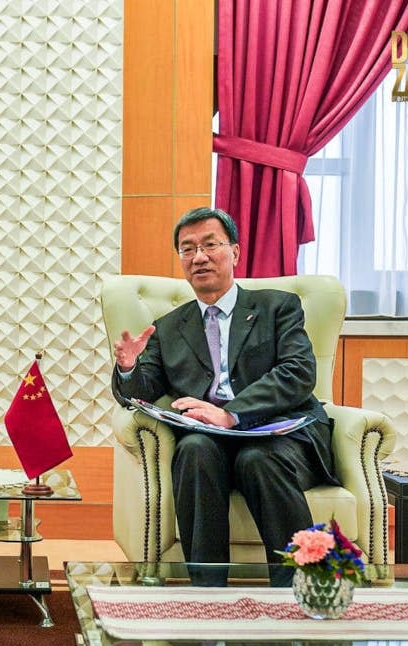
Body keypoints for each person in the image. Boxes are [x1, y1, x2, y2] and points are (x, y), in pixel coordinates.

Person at [111, 206, 336, 587]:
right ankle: (208, 591)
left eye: (210, 245)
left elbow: (298, 373)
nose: (199, 257)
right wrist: (129, 368)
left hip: (279, 434)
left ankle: (301, 587)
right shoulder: (168, 328)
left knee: (257, 460)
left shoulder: (277, 307)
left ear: (234, 252)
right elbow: (141, 392)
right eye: (187, 249)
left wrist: (232, 413)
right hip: (209, 440)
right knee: (194, 450)